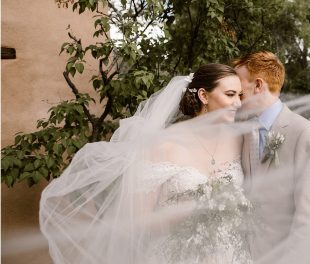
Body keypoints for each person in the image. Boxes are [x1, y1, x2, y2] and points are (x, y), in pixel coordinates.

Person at [39, 63, 252, 264]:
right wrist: (188, 216)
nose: (238, 103)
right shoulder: (163, 145)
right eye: (230, 95)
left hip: (229, 254)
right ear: (203, 95)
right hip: (176, 255)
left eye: (240, 96)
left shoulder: (239, 140)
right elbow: (138, 221)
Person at [231, 51, 310, 263]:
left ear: (258, 85)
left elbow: (309, 219)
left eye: (240, 92)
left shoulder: (304, 134)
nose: (237, 100)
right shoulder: (244, 132)